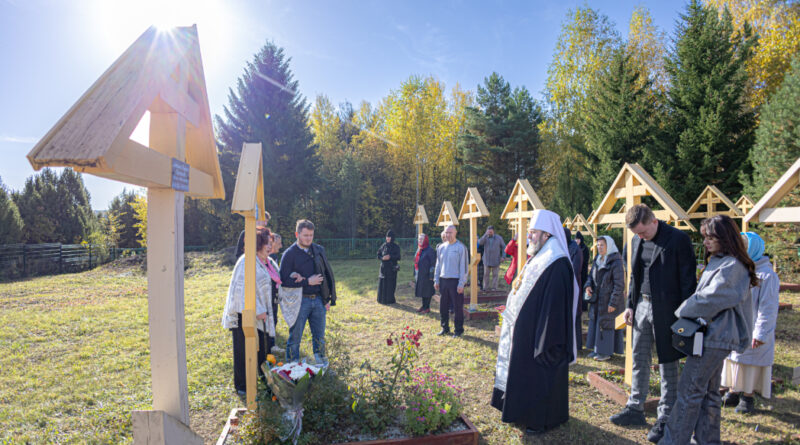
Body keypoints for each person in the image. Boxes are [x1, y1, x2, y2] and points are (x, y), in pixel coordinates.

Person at [659, 215, 757, 445]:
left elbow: (711, 298)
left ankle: (673, 441)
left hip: (715, 338)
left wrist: (681, 310)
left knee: (689, 391)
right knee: (709, 394)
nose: (706, 242)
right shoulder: (721, 261)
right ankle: (707, 440)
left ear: (725, 237)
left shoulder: (733, 266)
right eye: (704, 237)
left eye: (711, 237)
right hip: (712, 337)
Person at [610, 204, 697, 445]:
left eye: (643, 232)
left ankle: (666, 417)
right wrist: (630, 305)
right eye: (636, 234)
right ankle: (635, 408)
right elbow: (635, 275)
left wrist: (685, 316)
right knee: (639, 357)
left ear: (653, 221)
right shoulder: (637, 242)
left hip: (669, 312)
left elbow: (689, 281)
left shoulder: (678, 240)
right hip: (641, 307)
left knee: (668, 363)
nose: (640, 237)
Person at [491, 209, 579, 436]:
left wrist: (544, 337)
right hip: (527, 330)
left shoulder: (556, 262)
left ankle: (540, 419)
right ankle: (520, 411)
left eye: (533, 232)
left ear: (547, 235)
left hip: (543, 335)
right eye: (529, 232)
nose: (528, 236)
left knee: (539, 377)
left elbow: (555, 305)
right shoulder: (540, 256)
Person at [720, 231, 780, 414]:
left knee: (750, 363)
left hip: (754, 327)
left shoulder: (767, 276)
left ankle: (748, 396)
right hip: (737, 325)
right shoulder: (741, 270)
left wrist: (761, 334)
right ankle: (733, 390)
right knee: (734, 360)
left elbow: (768, 308)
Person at [221, 227, 276, 395]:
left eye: (270, 243)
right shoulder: (245, 261)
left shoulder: (267, 261)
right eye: (265, 243)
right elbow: (240, 290)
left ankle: (262, 381)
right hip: (245, 316)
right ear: (257, 244)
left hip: (263, 316)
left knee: (263, 350)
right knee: (243, 351)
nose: (269, 246)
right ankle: (242, 386)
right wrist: (257, 310)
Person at [279, 219, 336, 367]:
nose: (309, 238)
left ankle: (321, 365)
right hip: (299, 301)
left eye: (311, 235)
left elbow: (326, 273)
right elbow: (283, 281)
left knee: (319, 337)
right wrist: (306, 282)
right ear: (297, 234)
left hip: (318, 300)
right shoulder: (289, 254)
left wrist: (326, 298)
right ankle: (291, 368)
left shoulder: (318, 250)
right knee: (295, 337)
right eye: (305, 235)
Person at [584, 236, 624, 361]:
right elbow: (590, 276)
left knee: (606, 325)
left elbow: (619, 285)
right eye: (598, 245)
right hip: (598, 299)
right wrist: (588, 286)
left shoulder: (616, 262)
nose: (599, 247)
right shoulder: (597, 259)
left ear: (609, 246)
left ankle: (605, 352)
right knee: (596, 323)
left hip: (608, 300)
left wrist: (613, 302)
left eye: (602, 245)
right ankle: (597, 349)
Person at [434, 225, 468, 337]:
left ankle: (458, 330)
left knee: (457, 307)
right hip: (443, 280)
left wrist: (461, 283)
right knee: (443, 306)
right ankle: (445, 328)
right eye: (446, 233)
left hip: (455, 281)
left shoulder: (460, 247)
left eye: (450, 232)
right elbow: (438, 264)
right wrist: (436, 279)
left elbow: (463, 267)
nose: (448, 235)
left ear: (455, 233)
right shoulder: (441, 247)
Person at [565, 228, 584, 351]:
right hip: (565, 286)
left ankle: (577, 345)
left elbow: (575, 270)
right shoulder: (564, 245)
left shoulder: (575, 249)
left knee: (575, 315)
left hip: (573, 285)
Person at [267, 233, 283, 354]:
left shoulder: (273, 257)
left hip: (275, 293)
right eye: (279, 243)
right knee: (271, 318)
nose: (281, 246)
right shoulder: (267, 258)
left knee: (274, 318)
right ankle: (269, 345)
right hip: (269, 294)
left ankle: (271, 344)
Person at [377, 230, 401, 304]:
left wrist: (390, 257)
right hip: (383, 268)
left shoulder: (396, 247)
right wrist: (382, 258)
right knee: (383, 283)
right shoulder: (383, 245)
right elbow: (378, 254)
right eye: (387, 237)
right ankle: (382, 299)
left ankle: (389, 300)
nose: (387, 238)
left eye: (389, 237)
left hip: (391, 269)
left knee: (390, 284)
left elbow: (398, 256)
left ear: (392, 238)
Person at [479, 226, 506, 291]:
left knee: (495, 275)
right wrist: (485, 235)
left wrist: (503, 256)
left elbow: (504, 247)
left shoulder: (499, 238)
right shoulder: (485, 238)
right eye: (488, 232)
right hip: (486, 260)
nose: (489, 233)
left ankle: (494, 288)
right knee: (486, 275)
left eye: (491, 232)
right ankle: (485, 288)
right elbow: (480, 242)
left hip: (496, 259)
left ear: (493, 231)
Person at [414, 233, 436, 313]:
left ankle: (427, 307)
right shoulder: (419, 249)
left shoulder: (429, 250)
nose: (420, 240)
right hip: (420, 274)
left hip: (427, 275)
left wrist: (431, 275)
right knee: (423, 290)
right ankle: (423, 306)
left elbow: (433, 263)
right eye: (419, 239)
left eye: (421, 239)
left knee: (427, 291)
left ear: (425, 240)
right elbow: (416, 261)